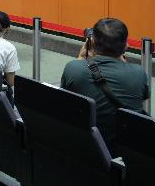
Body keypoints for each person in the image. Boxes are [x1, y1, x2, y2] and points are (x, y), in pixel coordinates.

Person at [61, 18, 149, 155]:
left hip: (85, 148)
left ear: (93, 42)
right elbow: (142, 97)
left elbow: (66, 97)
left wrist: (81, 57)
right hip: (123, 151)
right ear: (126, 45)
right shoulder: (139, 73)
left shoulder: (74, 68)